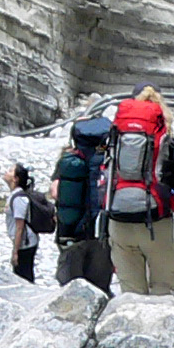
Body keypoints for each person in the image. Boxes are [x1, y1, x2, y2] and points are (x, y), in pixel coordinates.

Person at [103, 87, 174, 296]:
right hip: (157, 223)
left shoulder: (117, 137)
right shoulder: (169, 140)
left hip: (119, 221)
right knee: (162, 291)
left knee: (131, 293)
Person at [52, 115, 117, 293]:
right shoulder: (110, 160)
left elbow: (55, 191)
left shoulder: (69, 161)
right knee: (100, 287)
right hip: (101, 232)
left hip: (71, 231)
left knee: (70, 288)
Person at [3, 163, 39, 281]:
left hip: (25, 243)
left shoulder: (19, 198)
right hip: (23, 242)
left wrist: (15, 252)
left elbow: (20, 226)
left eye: (10, 171)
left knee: (24, 276)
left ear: (15, 179)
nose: (6, 172)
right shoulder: (15, 195)